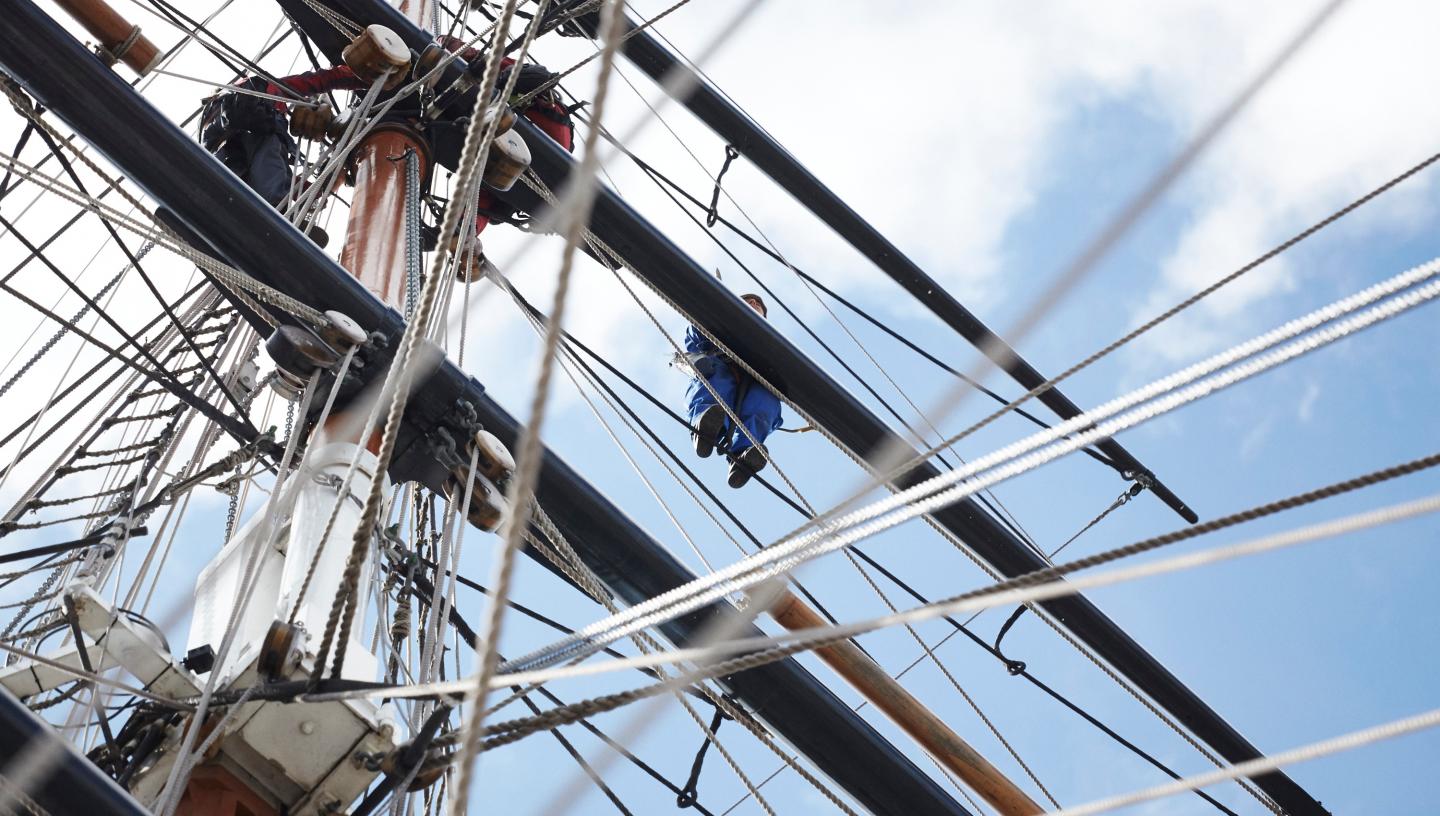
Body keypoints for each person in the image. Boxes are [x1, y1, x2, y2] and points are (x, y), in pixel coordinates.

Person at [686, 293, 783, 488]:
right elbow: (695, 336)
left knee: (766, 401)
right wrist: (712, 309)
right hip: (721, 365)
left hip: (756, 381)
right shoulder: (721, 320)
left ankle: (744, 456)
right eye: (748, 300)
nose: (754, 302)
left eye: (758, 304)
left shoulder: (773, 346)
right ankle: (705, 425)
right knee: (716, 380)